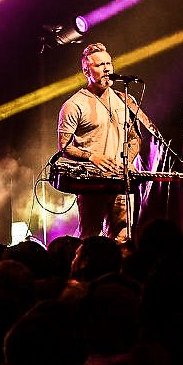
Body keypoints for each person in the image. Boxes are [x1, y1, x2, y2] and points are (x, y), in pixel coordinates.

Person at [56, 42, 142, 242]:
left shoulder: (125, 100)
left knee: (124, 237)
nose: (106, 69)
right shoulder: (74, 104)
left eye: (108, 64)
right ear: (86, 70)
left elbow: (135, 138)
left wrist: (128, 160)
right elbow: (64, 147)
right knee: (90, 238)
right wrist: (91, 157)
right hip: (92, 185)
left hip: (121, 182)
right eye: (99, 65)